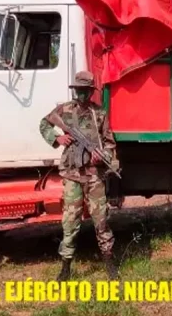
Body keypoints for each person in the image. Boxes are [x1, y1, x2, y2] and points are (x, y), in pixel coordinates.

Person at [39, 71, 119, 280]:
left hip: (94, 176)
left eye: (85, 91)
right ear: (75, 90)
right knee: (70, 221)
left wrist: (102, 157)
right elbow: (44, 123)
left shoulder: (99, 113)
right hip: (72, 175)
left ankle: (109, 261)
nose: (82, 95)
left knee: (101, 219)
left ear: (91, 92)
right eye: (79, 91)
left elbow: (109, 143)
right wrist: (58, 138)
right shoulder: (64, 110)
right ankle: (66, 267)